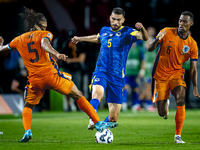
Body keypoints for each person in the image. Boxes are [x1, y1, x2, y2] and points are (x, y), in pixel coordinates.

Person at [0, 7, 118, 143]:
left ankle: (27, 131)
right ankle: (97, 123)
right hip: (51, 76)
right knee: (78, 95)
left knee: (28, 106)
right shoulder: (44, 34)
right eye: (43, 26)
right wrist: (56, 53)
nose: (45, 29)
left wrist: (1, 45)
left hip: (34, 81)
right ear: (37, 25)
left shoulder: (18, 39)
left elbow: (3, 50)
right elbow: (44, 44)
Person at [72, 7, 149, 130]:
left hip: (117, 76)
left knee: (113, 118)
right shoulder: (104, 30)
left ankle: (100, 128)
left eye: (118, 20)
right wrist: (80, 39)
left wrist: (143, 29)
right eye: (113, 19)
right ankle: (93, 119)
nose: (115, 22)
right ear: (110, 18)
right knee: (97, 94)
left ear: (123, 20)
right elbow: (97, 38)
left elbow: (144, 38)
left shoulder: (128, 32)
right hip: (101, 71)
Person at [148, 11, 200, 143]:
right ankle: (164, 108)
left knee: (180, 97)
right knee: (161, 113)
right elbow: (150, 48)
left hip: (177, 73)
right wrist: (157, 40)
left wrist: (194, 87)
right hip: (160, 75)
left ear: (191, 24)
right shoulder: (166, 31)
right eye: (180, 21)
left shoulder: (192, 44)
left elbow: (193, 69)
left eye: (185, 21)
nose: (181, 23)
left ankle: (178, 136)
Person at [121, 41, 146, 112]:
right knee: (125, 87)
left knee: (136, 88)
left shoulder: (139, 49)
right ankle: (124, 103)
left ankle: (135, 105)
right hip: (127, 72)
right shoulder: (125, 49)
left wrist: (142, 71)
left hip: (136, 72)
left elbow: (143, 60)